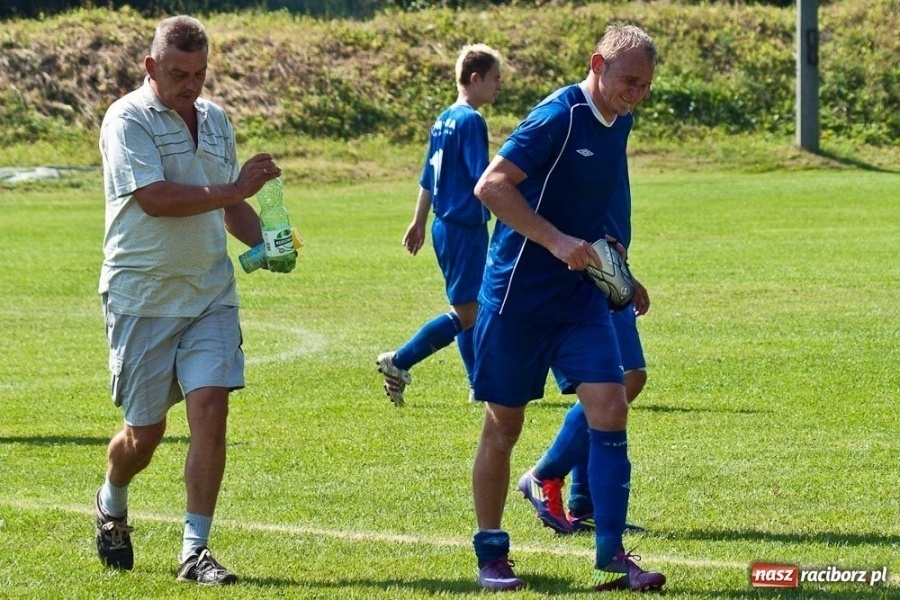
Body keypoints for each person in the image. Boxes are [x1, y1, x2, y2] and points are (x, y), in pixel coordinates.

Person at [95, 15, 292, 586]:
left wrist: (268, 241)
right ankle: (112, 499)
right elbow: (155, 199)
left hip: (209, 293)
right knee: (144, 435)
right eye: (179, 73)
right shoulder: (126, 118)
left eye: (200, 73)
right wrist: (235, 190)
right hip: (143, 295)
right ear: (152, 66)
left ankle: (195, 551)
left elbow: (229, 207)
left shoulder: (216, 120)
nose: (191, 84)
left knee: (211, 409)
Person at [469, 25, 666, 592]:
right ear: (597, 64)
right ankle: (491, 552)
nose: (637, 94)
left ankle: (610, 553)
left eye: (646, 85)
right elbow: (492, 186)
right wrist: (556, 242)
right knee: (503, 427)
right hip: (518, 299)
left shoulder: (618, 121)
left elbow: (596, 201)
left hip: (580, 299)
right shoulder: (557, 116)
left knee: (611, 403)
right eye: (630, 80)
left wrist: (623, 272)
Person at [518, 174, 652, 535]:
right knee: (624, 377)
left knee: (619, 378)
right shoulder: (575, 123)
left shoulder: (613, 127)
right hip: (585, 270)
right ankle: (545, 474)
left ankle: (583, 502)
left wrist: (623, 271)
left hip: (605, 264)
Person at [377, 44, 502, 406]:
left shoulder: (443, 118)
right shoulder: (471, 120)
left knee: (471, 307)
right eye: (495, 79)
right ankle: (399, 361)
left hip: (442, 226)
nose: (499, 86)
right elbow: (483, 178)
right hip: (464, 226)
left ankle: (481, 385)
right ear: (474, 79)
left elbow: (428, 177)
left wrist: (418, 221)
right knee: (468, 311)